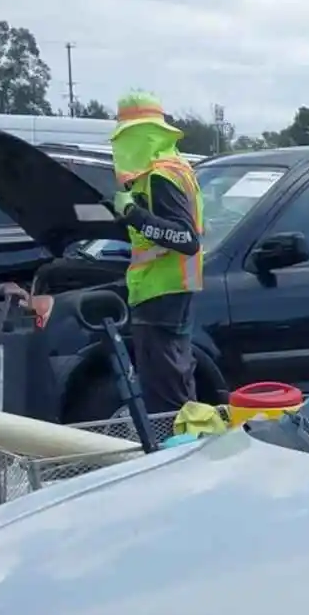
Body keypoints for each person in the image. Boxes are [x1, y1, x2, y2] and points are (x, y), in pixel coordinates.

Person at [109, 91, 204, 417]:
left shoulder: (162, 176)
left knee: (166, 399)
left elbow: (187, 239)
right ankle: (182, 449)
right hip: (167, 292)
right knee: (176, 388)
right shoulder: (172, 168)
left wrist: (134, 214)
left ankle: (174, 458)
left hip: (162, 293)